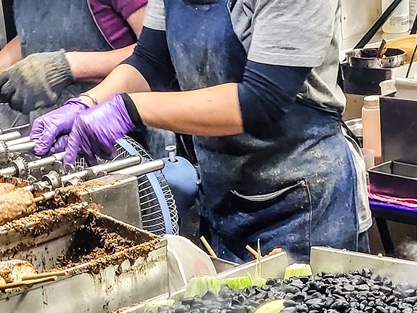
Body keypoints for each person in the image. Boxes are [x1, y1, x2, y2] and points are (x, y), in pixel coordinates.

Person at [28, 0, 372, 263]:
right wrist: (88, 103)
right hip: (224, 197)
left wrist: (128, 109)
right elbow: (151, 61)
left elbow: (260, 102)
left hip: (304, 203)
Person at [0, 0, 147, 117]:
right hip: (55, 129)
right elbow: (37, 36)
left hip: (123, 131)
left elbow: (155, 55)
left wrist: (67, 67)